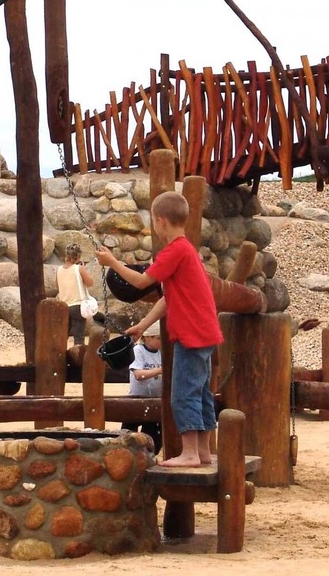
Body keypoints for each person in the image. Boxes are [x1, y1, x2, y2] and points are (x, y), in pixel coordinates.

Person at [96, 191, 223, 468]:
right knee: (201, 391)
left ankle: (189, 452)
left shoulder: (175, 250)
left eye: (153, 220)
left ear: (160, 221)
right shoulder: (188, 251)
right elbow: (168, 297)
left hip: (191, 334)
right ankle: (203, 450)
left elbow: (142, 282)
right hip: (204, 331)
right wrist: (143, 325)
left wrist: (113, 263)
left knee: (184, 392)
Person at [123, 321, 164, 451]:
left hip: (155, 400)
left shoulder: (162, 353)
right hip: (136, 398)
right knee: (127, 436)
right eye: (159, 338)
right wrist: (160, 370)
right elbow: (138, 374)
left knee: (154, 439)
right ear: (147, 337)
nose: (162, 341)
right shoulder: (138, 350)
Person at [56, 242, 96, 346]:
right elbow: (90, 282)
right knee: (79, 337)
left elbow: (58, 286)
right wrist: (83, 269)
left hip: (64, 306)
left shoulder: (59, 270)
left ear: (66, 256)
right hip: (77, 306)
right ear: (78, 257)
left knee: (63, 335)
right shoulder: (79, 269)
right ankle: (78, 358)